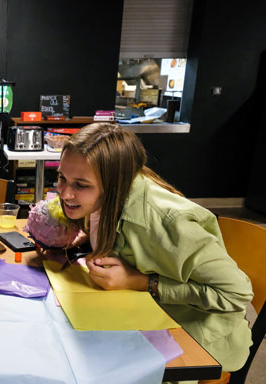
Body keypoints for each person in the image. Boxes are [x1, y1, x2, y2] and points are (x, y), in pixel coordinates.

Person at [51, 123, 252, 373]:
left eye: (81, 185)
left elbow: (236, 294)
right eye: (62, 177)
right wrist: (88, 239)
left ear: (114, 183)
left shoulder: (169, 223)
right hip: (141, 311)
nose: (65, 193)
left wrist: (143, 282)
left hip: (194, 338)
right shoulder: (112, 195)